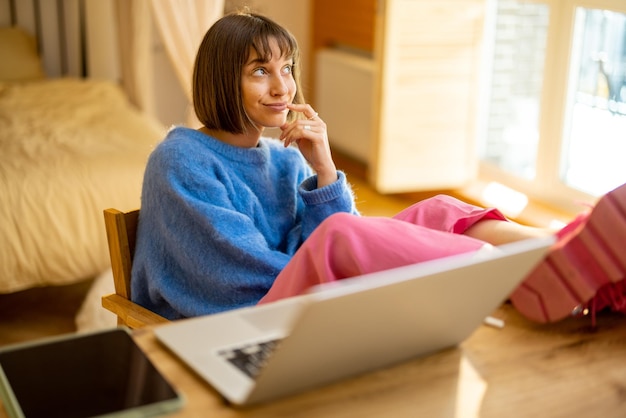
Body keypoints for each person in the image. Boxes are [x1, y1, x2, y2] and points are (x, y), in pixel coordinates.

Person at [131, 11, 626, 325]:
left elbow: (315, 251)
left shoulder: (281, 158)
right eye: (260, 70)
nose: (282, 87)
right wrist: (353, 268)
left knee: (437, 209)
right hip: (241, 319)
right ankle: (527, 277)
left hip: (291, 298)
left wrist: (324, 169)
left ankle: (564, 256)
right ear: (221, 77)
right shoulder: (180, 160)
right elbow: (233, 278)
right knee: (345, 237)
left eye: (287, 69)